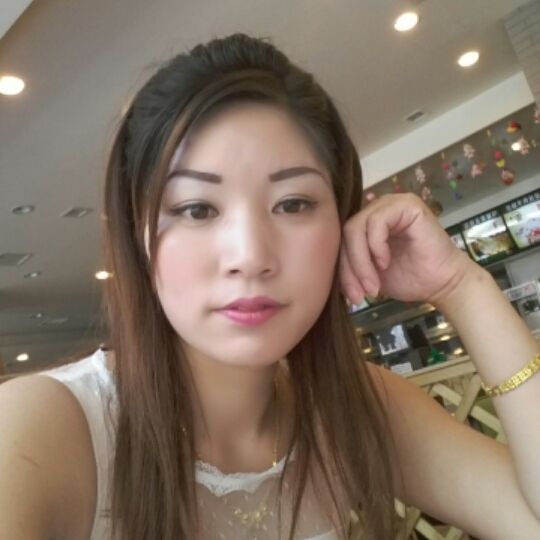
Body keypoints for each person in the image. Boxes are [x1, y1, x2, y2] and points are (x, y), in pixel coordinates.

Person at [0, 33, 539, 540]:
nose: (251, 256)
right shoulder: (41, 430)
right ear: (137, 235)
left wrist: (462, 286)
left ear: (342, 220)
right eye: (197, 209)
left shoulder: (351, 406)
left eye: (293, 204)